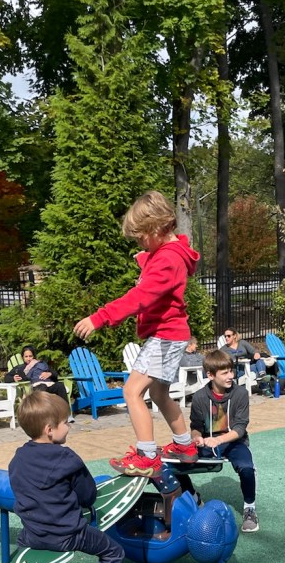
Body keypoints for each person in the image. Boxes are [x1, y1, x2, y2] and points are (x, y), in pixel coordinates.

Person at [73, 190, 200, 477]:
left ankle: (147, 456)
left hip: (165, 335)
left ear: (156, 228)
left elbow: (141, 296)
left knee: (132, 391)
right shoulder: (168, 254)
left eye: (141, 237)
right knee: (158, 392)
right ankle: (184, 445)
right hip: (173, 334)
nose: (140, 243)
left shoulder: (166, 260)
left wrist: (99, 317)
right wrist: (145, 258)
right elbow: (161, 276)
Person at [8, 391, 130, 563]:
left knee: (22, 540)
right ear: (49, 430)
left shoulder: (18, 458)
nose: (69, 427)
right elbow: (88, 496)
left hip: (34, 533)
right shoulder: (66, 458)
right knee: (113, 552)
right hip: (69, 535)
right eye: (66, 422)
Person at [176, 349, 260, 533]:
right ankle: (194, 499)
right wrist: (197, 437)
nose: (231, 376)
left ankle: (250, 509)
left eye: (231, 371)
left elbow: (240, 428)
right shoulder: (199, 397)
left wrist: (218, 439)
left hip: (234, 442)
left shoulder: (240, 393)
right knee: (176, 464)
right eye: (225, 373)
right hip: (209, 442)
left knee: (247, 468)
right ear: (210, 375)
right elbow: (196, 426)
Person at [5, 345, 71, 408]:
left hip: (49, 385)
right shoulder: (20, 368)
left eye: (30, 356)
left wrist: (50, 374)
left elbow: (55, 374)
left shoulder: (40, 364)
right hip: (34, 389)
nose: (28, 359)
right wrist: (13, 378)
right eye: (26, 356)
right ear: (23, 357)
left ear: (33, 356)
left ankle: (66, 411)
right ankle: (44, 412)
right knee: (42, 386)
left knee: (60, 385)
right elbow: (6, 378)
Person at [221, 328, 277, 397]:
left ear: (234, 336)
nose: (226, 338)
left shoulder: (242, 343)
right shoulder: (223, 349)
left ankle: (262, 376)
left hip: (247, 366)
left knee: (259, 361)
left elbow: (254, 351)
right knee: (257, 368)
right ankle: (264, 386)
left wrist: (256, 354)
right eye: (225, 336)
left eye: (228, 336)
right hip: (237, 370)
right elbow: (220, 361)